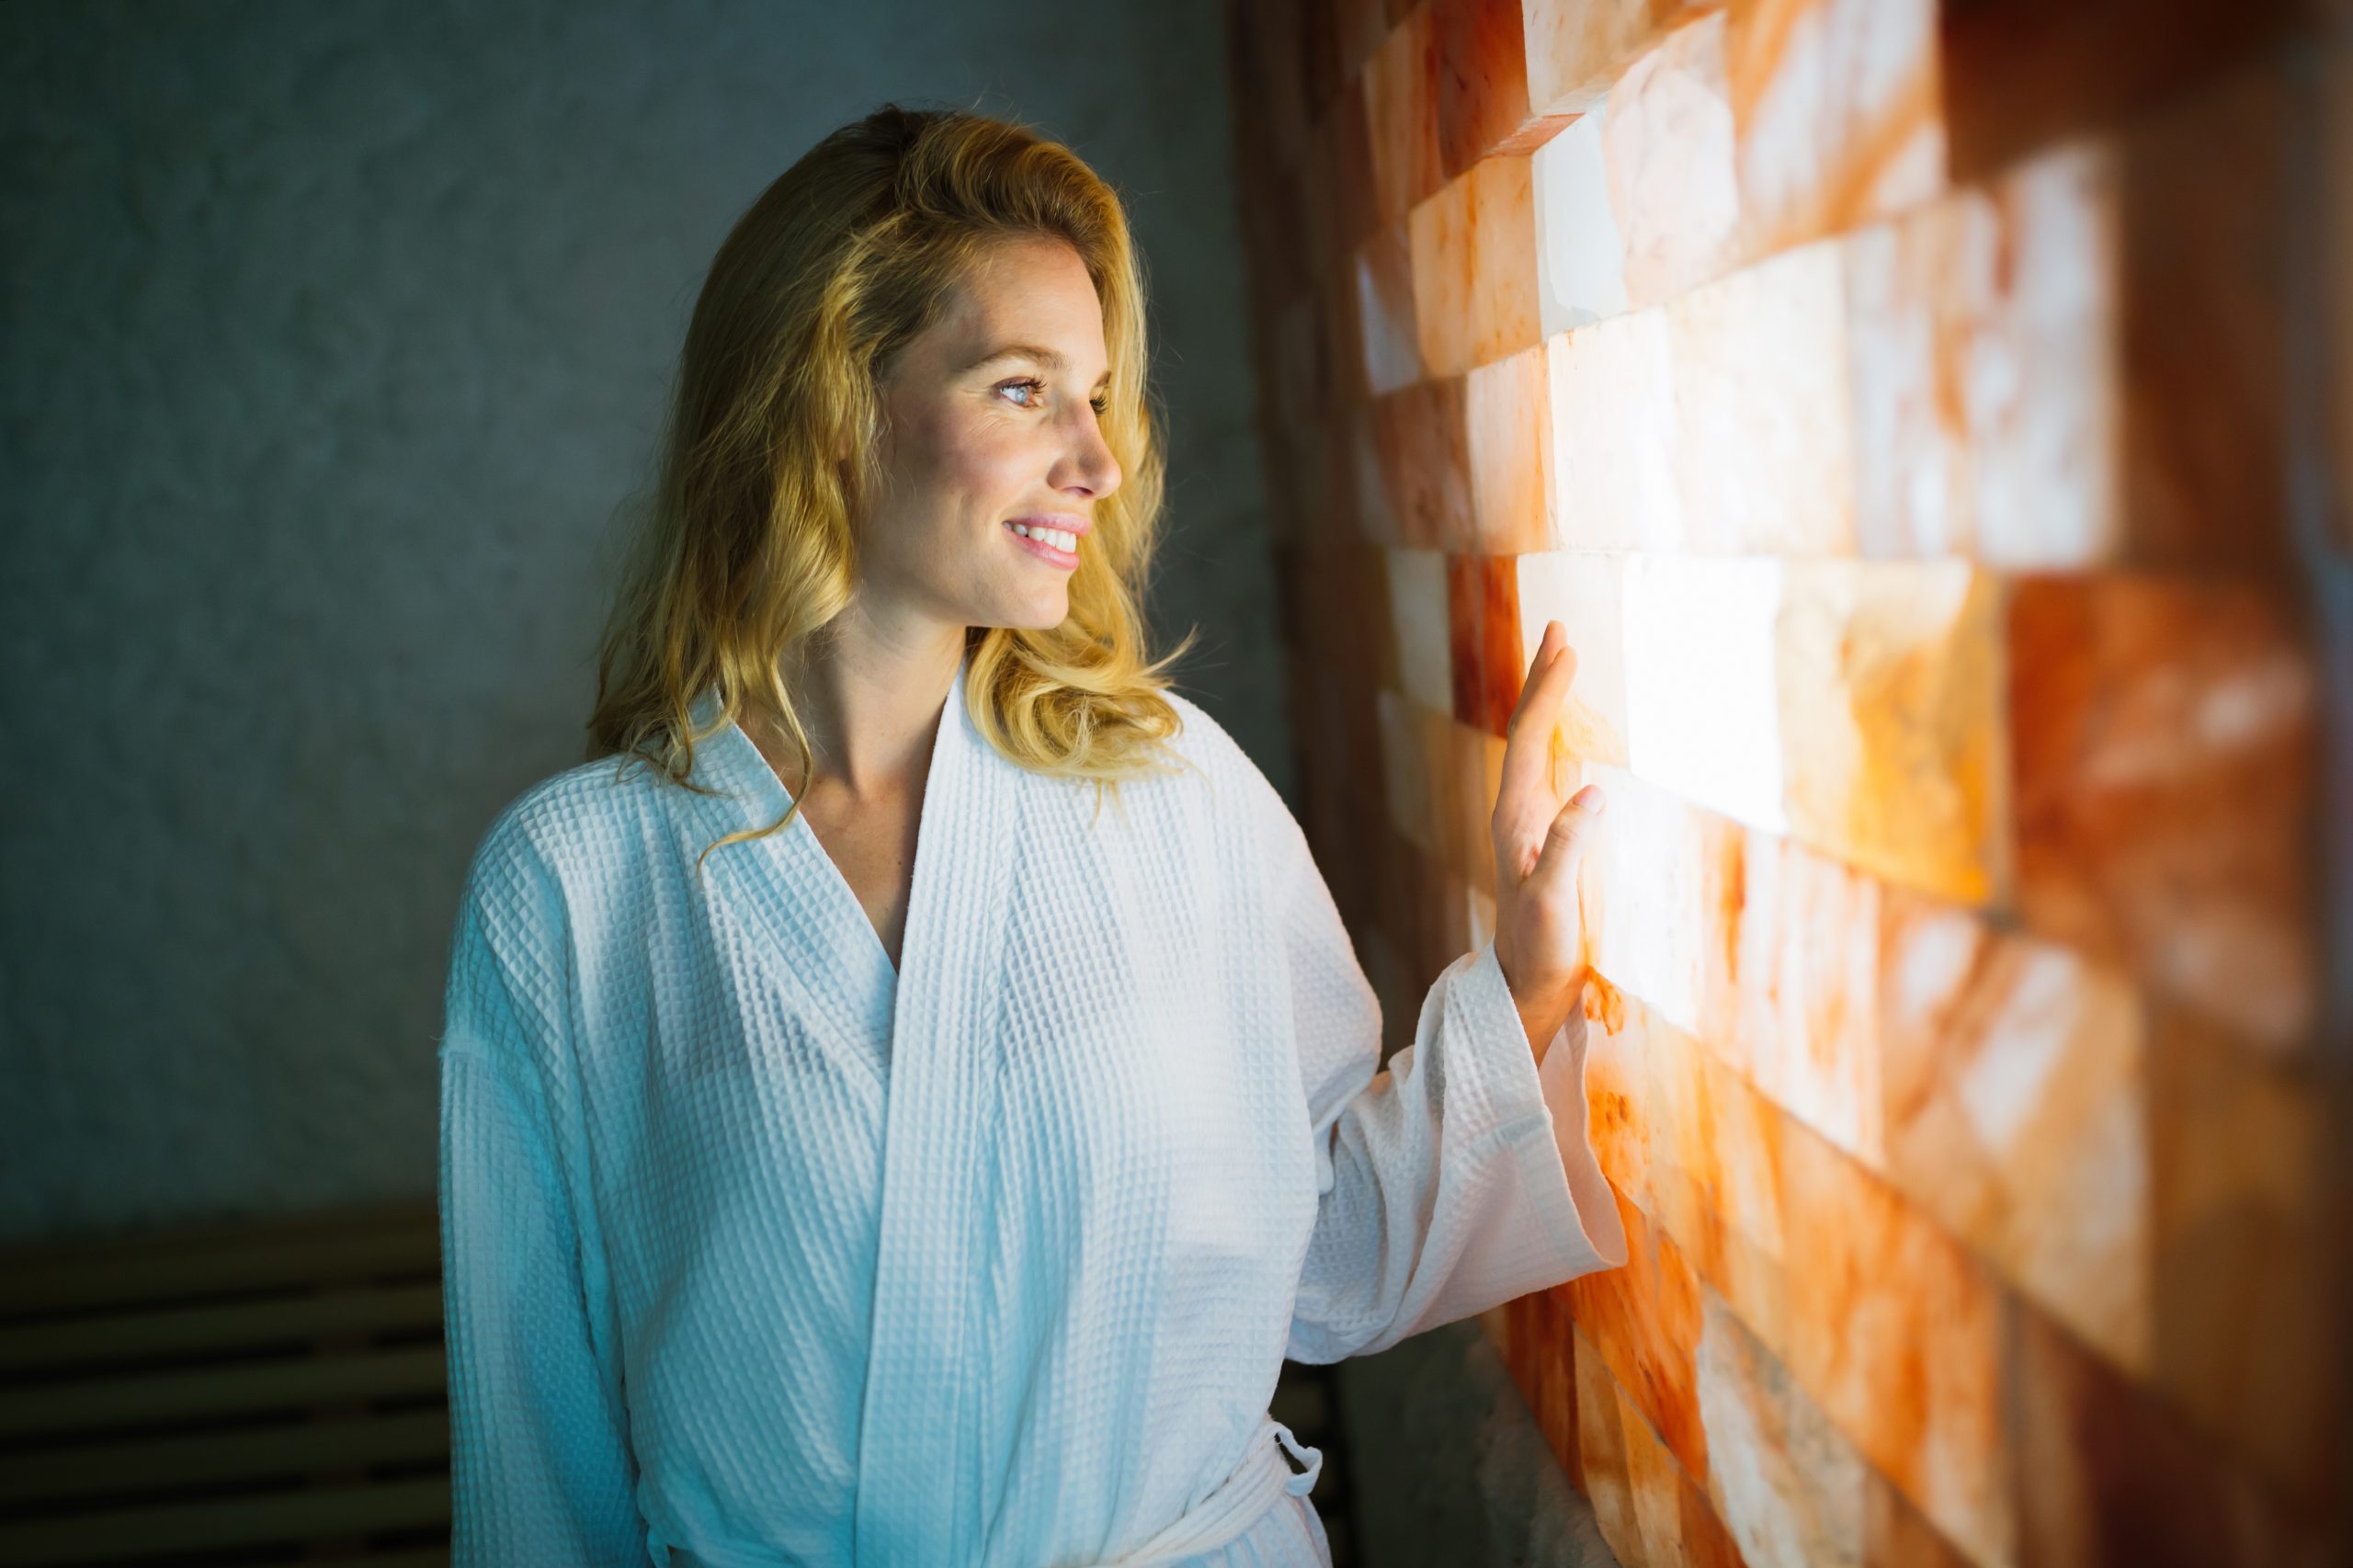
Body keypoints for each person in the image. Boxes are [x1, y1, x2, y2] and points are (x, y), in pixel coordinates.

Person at [435, 102, 1628, 1568]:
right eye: (1021, 390)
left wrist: (1526, 981)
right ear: (832, 406)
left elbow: (1322, 1248)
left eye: (1099, 395)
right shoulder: (574, 890)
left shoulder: (1168, 790)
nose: (1098, 460)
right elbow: (534, 1470)